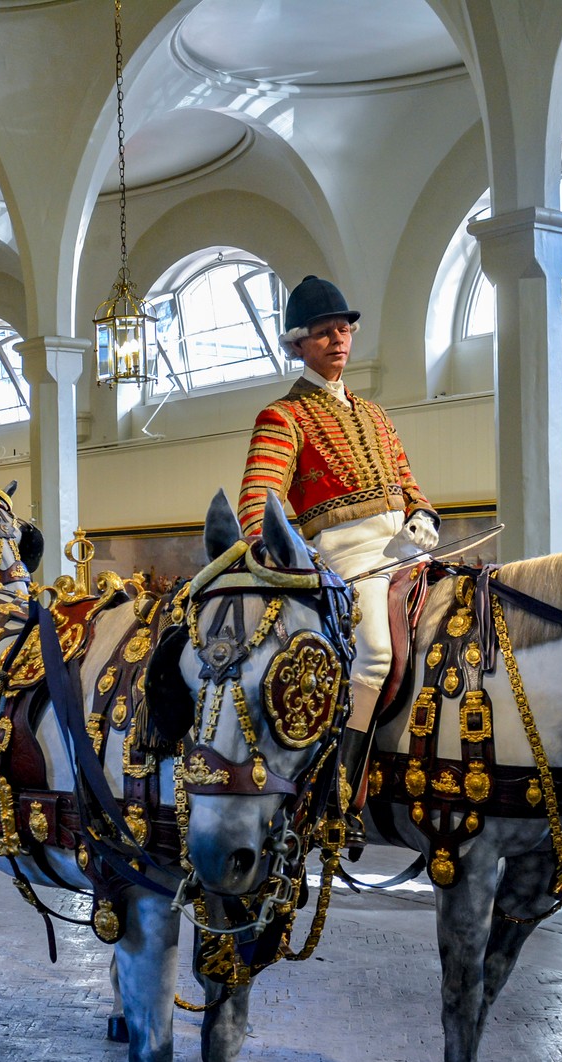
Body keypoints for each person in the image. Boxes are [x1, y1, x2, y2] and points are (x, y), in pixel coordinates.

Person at [236, 274, 438, 774]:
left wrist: (423, 514)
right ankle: (340, 781)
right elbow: (257, 504)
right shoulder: (282, 417)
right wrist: (276, 551)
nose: (338, 340)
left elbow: (409, 481)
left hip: (407, 548)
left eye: (344, 330)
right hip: (347, 559)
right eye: (325, 332)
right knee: (373, 652)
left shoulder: (375, 413)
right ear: (299, 344)